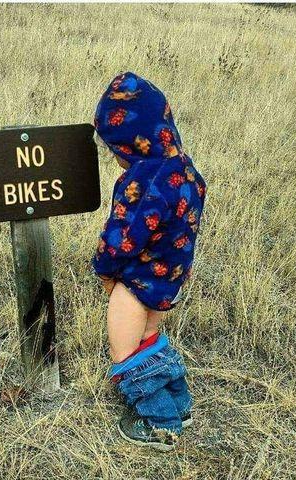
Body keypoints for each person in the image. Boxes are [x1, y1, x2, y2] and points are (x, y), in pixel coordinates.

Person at [91, 71, 207, 451]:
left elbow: (122, 238)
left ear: (131, 141)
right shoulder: (185, 169)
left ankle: (159, 422)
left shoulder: (141, 182)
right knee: (149, 338)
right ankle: (179, 403)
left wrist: (104, 270)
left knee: (124, 351)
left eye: (115, 148)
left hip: (137, 281)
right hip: (170, 277)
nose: (116, 158)